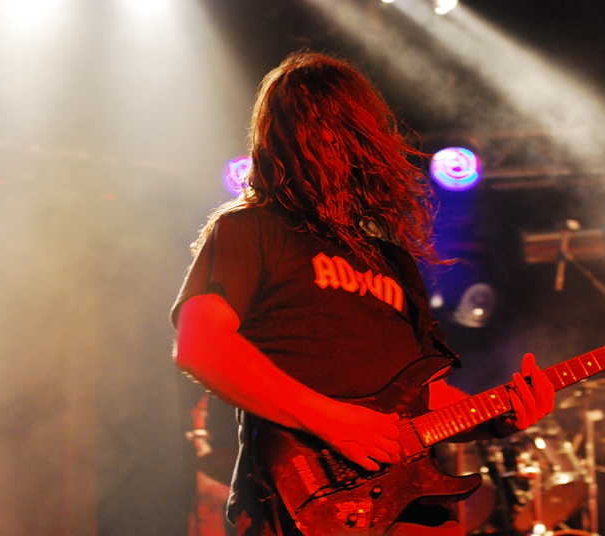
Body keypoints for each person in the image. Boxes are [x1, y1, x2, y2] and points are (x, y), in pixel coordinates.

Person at [171, 52, 555, 536]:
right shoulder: (250, 230)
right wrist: (330, 420)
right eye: (314, 127)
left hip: (410, 507)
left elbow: (425, 397)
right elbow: (201, 345)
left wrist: (498, 414)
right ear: (282, 141)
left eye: (344, 128)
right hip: (303, 504)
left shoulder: (391, 261)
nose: (330, 144)